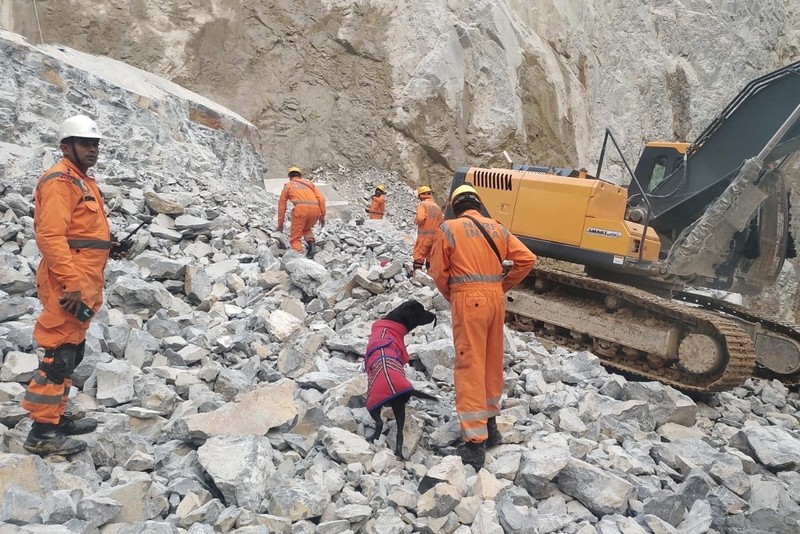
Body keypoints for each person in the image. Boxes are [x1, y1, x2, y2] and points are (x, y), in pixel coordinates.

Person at [22, 115, 124, 456]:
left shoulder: (81, 180)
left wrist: (111, 245)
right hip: (69, 282)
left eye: (95, 144)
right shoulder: (59, 181)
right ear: (66, 147)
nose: (92, 149)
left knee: (73, 349)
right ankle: (42, 432)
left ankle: (56, 417)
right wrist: (70, 283)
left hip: (84, 279)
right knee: (60, 354)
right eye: (85, 143)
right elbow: (50, 236)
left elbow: (82, 231)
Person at [429, 183, 536, 470]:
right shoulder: (498, 228)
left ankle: (475, 444)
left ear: (454, 206)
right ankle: (491, 425)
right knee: (491, 360)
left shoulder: (449, 229)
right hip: (495, 299)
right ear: (477, 203)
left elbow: (439, 273)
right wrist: (502, 285)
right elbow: (527, 259)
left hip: (469, 299)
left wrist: (455, 296)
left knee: (470, 364)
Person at [277, 166, 327, 257]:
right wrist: (322, 216)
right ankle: (311, 247)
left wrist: (280, 225)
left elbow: (282, 206)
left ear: (290, 176)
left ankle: (298, 255)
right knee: (306, 228)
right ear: (300, 175)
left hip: (301, 211)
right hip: (315, 211)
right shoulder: (309, 183)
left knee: (295, 237)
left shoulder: (288, 186)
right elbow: (322, 199)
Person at [412, 185, 444, 273]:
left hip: (424, 236)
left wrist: (416, 221)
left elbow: (420, 218)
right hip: (434, 237)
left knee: (419, 255)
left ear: (420, 195)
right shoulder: (437, 207)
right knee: (430, 256)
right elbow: (442, 222)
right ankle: (430, 275)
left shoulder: (423, 204)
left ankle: (417, 274)